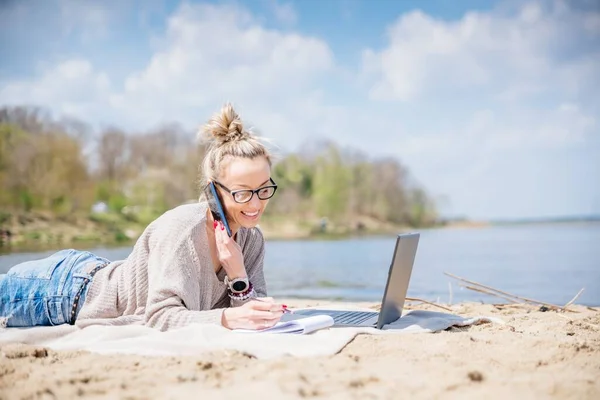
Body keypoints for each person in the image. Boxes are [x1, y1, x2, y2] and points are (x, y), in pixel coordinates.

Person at [0, 103, 284, 332]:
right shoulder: (182, 229)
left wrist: (238, 276)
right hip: (65, 292)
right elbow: (160, 316)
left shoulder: (251, 240)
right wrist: (226, 319)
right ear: (213, 190)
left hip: (98, 273)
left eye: (264, 189)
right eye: (242, 192)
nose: (257, 203)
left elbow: (252, 315)